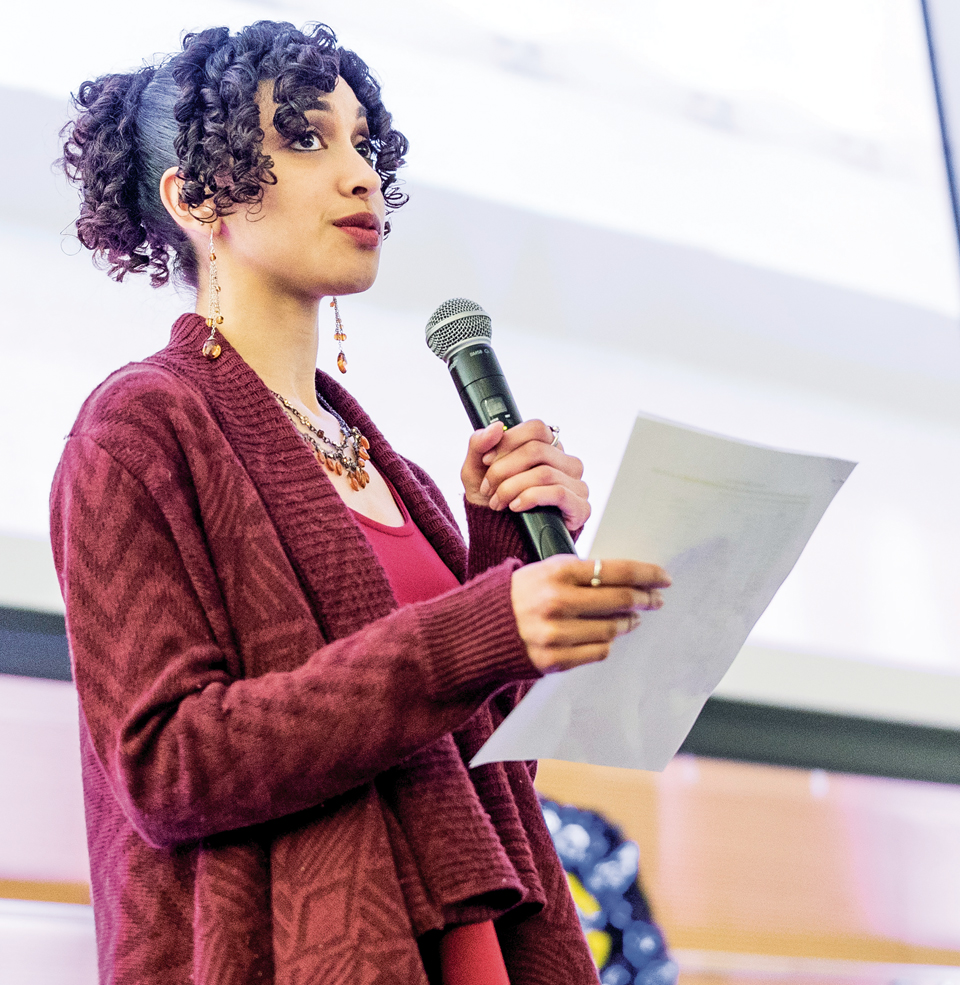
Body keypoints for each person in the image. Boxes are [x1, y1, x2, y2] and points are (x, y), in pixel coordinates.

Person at [51, 21, 671, 985]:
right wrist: (476, 626)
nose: (361, 175)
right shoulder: (138, 427)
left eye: (362, 143)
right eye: (306, 138)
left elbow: (469, 773)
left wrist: (505, 555)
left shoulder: (396, 471)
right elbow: (169, 766)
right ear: (195, 195)